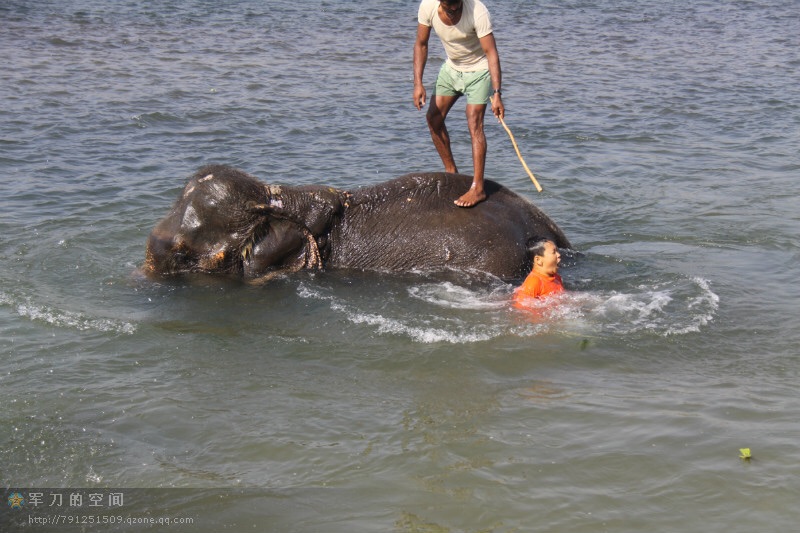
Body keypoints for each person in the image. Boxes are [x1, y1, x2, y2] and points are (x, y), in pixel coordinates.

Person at [413, 0, 505, 207]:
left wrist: (497, 93)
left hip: (479, 70)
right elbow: (421, 44)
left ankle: (478, 188)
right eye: (449, 6)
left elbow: (491, 53)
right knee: (433, 118)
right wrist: (418, 83)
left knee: (474, 121)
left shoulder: (478, 11)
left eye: (457, 4)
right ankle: (451, 172)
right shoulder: (427, 7)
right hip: (452, 69)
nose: (454, 9)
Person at [513, 240, 564, 307]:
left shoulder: (557, 278)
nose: (559, 255)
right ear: (538, 260)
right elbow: (521, 307)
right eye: (554, 252)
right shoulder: (533, 282)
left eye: (557, 251)